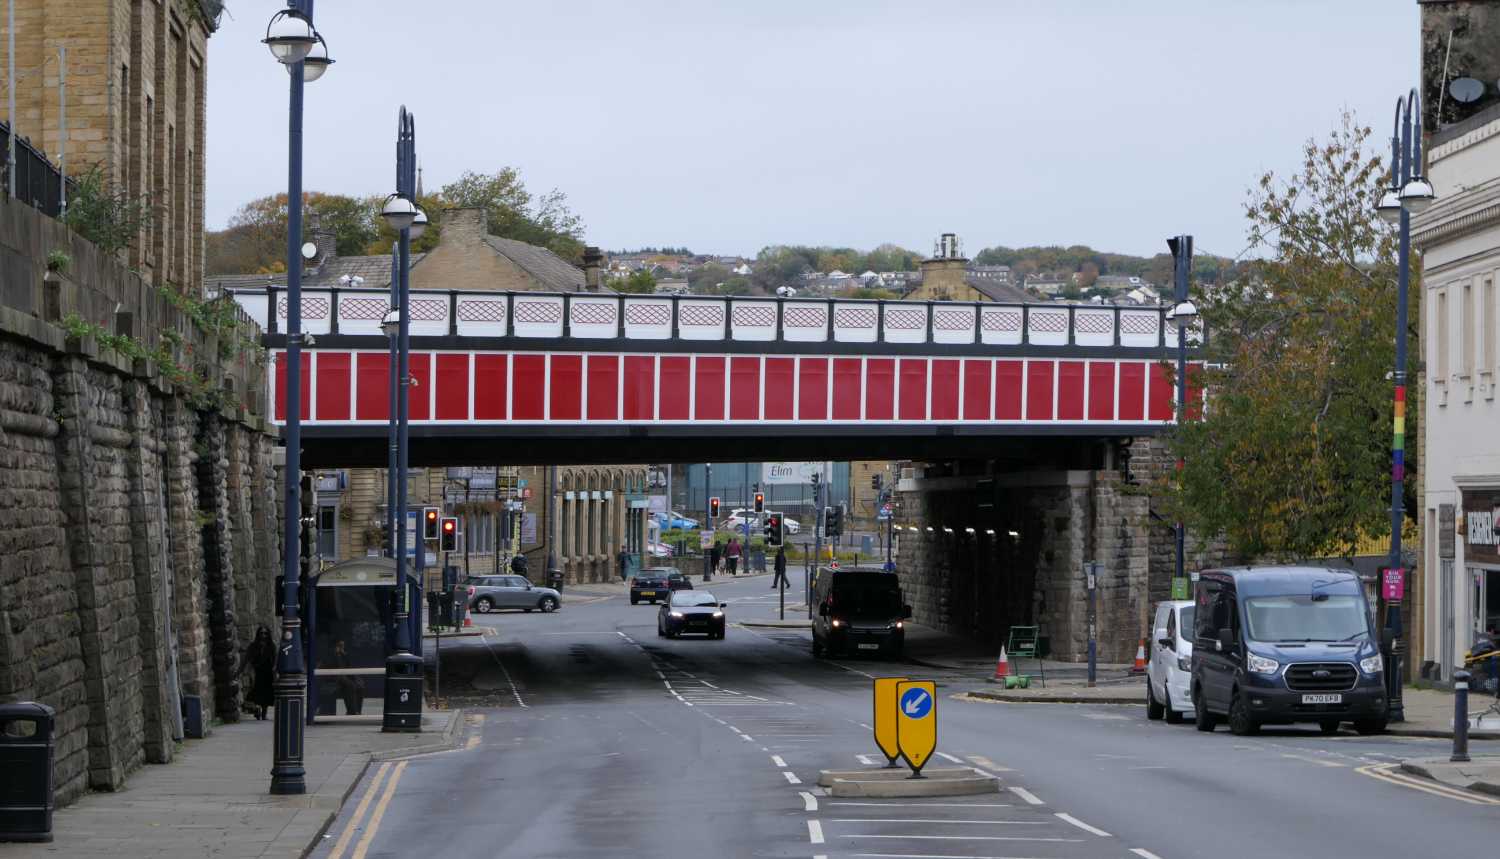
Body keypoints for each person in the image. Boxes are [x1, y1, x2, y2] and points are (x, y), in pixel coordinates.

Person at [241, 625, 276, 721]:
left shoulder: (271, 646)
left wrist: (275, 671)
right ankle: (256, 710)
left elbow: (275, 660)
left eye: (265, 633)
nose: (263, 636)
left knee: (266, 695)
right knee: (254, 694)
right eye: (261, 633)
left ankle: (263, 714)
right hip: (258, 673)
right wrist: (240, 671)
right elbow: (246, 659)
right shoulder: (253, 646)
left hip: (267, 674)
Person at [332, 639, 364, 715]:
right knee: (350, 685)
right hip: (336, 677)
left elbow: (349, 666)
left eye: (343, 646)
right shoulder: (332, 655)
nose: (341, 648)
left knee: (360, 685)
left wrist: (345, 655)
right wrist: (336, 654)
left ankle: (358, 711)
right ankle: (352, 711)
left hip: (345, 676)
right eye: (340, 646)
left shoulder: (344, 655)